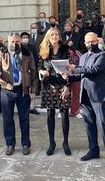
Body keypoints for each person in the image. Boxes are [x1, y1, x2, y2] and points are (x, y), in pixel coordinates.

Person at [65, 32, 105, 168]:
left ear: (97, 41)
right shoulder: (82, 57)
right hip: (85, 95)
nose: (90, 44)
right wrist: (68, 76)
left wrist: (75, 69)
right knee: (89, 124)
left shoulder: (103, 55)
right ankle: (94, 150)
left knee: (103, 124)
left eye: (92, 41)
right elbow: (81, 74)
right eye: (87, 42)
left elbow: (94, 69)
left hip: (98, 95)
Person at [0, 33, 38, 156]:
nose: (15, 43)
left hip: (23, 90)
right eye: (12, 41)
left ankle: (25, 144)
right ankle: (10, 144)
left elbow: (34, 73)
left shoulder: (28, 54)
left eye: (17, 41)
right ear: (8, 42)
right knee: (7, 119)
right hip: (7, 90)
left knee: (24, 118)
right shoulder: (3, 53)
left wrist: (33, 91)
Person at [38, 28, 71, 156]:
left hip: (63, 85)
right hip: (49, 86)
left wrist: (68, 86)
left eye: (56, 34)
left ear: (59, 36)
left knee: (64, 115)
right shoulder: (43, 51)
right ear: (48, 36)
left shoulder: (65, 49)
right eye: (52, 34)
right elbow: (39, 67)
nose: (55, 36)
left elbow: (69, 68)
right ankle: (52, 143)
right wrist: (42, 72)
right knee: (50, 115)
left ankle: (66, 142)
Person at [21, 32, 40, 115]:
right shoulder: (19, 47)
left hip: (31, 71)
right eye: (23, 37)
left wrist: (34, 69)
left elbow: (35, 58)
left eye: (26, 37)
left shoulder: (32, 47)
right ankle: (23, 107)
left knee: (33, 90)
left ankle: (32, 108)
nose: (25, 39)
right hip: (22, 72)